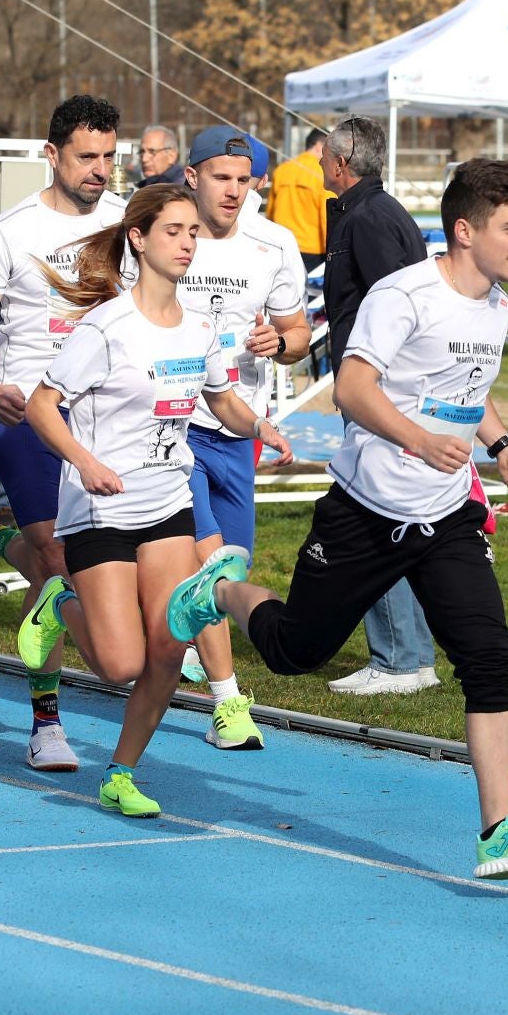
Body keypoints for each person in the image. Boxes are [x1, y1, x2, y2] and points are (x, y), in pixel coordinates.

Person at [165, 159, 508, 881]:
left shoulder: (497, 305)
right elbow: (353, 390)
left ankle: (499, 829)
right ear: (464, 229)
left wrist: (502, 445)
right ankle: (220, 590)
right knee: (295, 650)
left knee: (490, 659)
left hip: (444, 515)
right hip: (365, 510)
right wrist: (417, 440)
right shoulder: (405, 293)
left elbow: (465, 391)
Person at [21, 184, 291, 817]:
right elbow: (41, 405)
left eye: (193, 233)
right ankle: (59, 604)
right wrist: (85, 462)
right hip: (101, 511)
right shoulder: (107, 327)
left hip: (168, 504)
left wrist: (259, 426)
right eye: (173, 231)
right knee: (120, 664)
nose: (188, 243)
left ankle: (121, 772)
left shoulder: (200, 327)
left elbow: (219, 397)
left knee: (170, 645)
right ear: (138, 239)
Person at [0, 93, 127, 773]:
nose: (99, 169)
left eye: (110, 156)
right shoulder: (9, 230)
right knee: (54, 558)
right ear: (51, 154)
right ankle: (46, 722)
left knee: (100, 557)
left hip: (107, 413)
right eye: (87, 156)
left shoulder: (126, 222)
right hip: (28, 410)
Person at [167, 126, 310, 748]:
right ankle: (229, 705)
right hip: (170, 426)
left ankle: (174, 640)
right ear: (192, 175)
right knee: (209, 566)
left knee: (232, 566)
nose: (233, 189)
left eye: (244, 177)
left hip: (236, 423)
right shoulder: (165, 233)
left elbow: (299, 334)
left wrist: (278, 344)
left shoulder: (274, 244)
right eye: (220, 177)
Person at [316, 115, 439, 697]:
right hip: (379, 388)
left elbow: (396, 309)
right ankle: (411, 656)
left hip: (377, 392)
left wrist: (373, 387)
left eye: (323, 156)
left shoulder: (368, 219)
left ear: (343, 163)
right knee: (394, 517)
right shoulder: (371, 213)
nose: (318, 163)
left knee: (374, 516)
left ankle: (396, 658)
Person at [268, 127, 333, 271]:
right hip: (312, 251)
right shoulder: (322, 174)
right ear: (319, 146)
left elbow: (270, 212)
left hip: (279, 247)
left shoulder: (282, 170)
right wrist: (331, 253)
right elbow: (327, 218)